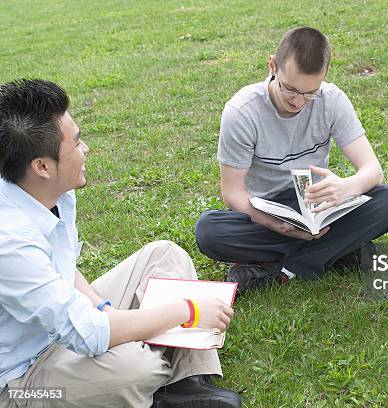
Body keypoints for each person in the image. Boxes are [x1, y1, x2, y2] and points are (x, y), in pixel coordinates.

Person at [0, 79, 242, 407]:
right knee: (134, 366)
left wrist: (102, 306)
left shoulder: (52, 190)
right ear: (42, 167)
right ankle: (150, 378)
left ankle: (185, 384)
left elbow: (63, 268)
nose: (86, 149)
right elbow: (87, 333)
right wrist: (188, 310)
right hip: (20, 382)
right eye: (77, 142)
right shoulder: (10, 243)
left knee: (164, 255)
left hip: (61, 327)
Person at [195, 27, 388, 294]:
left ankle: (278, 268)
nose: (299, 102)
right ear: (273, 66)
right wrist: (275, 224)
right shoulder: (242, 112)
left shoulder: (332, 100)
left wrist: (347, 187)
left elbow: (373, 170)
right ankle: (338, 251)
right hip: (266, 211)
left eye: (310, 93)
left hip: (317, 206)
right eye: (290, 90)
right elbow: (233, 193)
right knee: (209, 231)